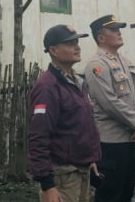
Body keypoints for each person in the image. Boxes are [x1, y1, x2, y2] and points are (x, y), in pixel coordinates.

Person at [27, 24, 101, 202]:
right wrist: (47, 185)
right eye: (69, 44)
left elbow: (80, 125)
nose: (77, 47)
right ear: (53, 50)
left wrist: (89, 159)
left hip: (80, 171)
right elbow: (38, 136)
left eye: (77, 42)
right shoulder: (48, 87)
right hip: (62, 177)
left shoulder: (77, 81)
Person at [84, 14, 135, 202]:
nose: (119, 33)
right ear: (101, 38)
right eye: (113, 30)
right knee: (110, 192)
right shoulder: (97, 65)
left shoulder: (124, 61)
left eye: (118, 29)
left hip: (128, 138)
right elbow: (109, 102)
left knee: (127, 187)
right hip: (110, 141)